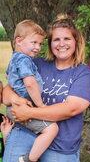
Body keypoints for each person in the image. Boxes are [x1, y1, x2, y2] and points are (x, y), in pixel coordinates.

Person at [2, 14, 90, 162]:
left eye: (67, 39)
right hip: (23, 135)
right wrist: (15, 99)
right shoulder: (36, 64)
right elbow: (6, 93)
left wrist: (28, 112)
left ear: (76, 41)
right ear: (50, 44)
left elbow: (71, 108)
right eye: (56, 39)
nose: (61, 44)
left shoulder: (83, 73)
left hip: (60, 146)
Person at [5, 20, 59, 162]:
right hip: (23, 107)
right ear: (19, 40)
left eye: (40, 44)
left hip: (16, 107)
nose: (38, 48)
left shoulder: (14, 59)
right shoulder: (24, 60)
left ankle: (9, 139)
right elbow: (30, 84)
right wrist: (40, 105)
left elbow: (7, 76)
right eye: (34, 43)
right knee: (52, 129)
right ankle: (29, 159)